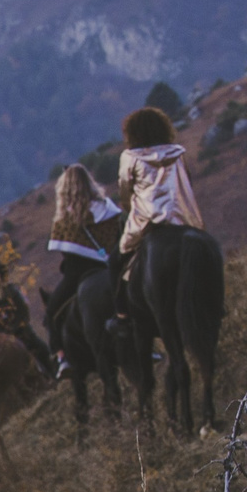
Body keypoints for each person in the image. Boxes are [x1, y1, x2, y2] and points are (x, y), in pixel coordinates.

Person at [115, 105, 202, 314]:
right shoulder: (178, 153)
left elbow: (125, 193)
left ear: (132, 134)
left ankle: (121, 314)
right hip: (183, 218)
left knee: (119, 259)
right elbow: (187, 184)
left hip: (148, 222)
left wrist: (130, 209)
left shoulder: (130, 157)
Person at [41, 163, 122, 372]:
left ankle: (63, 358)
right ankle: (148, 347)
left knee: (52, 312)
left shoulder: (64, 219)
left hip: (77, 275)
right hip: (110, 270)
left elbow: (67, 254)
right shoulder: (108, 209)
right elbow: (119, 239)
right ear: (89, 182)